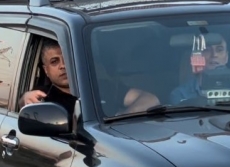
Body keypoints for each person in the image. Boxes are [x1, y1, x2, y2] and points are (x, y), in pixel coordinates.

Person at [18, 38, 159, 117]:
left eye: (67, 59)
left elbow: (150, 99)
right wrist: (24, 99)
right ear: (46, 70)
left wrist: (120, 117)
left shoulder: (100, 87)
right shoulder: (42, 96)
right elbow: (24, 106)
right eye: (54, 61)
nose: (63, 66)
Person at [169, 33, 230, 105]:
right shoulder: (181, 95)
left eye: (219, 50)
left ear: (226, 57)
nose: (214, 55)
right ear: (197, 57)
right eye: (206, 49)